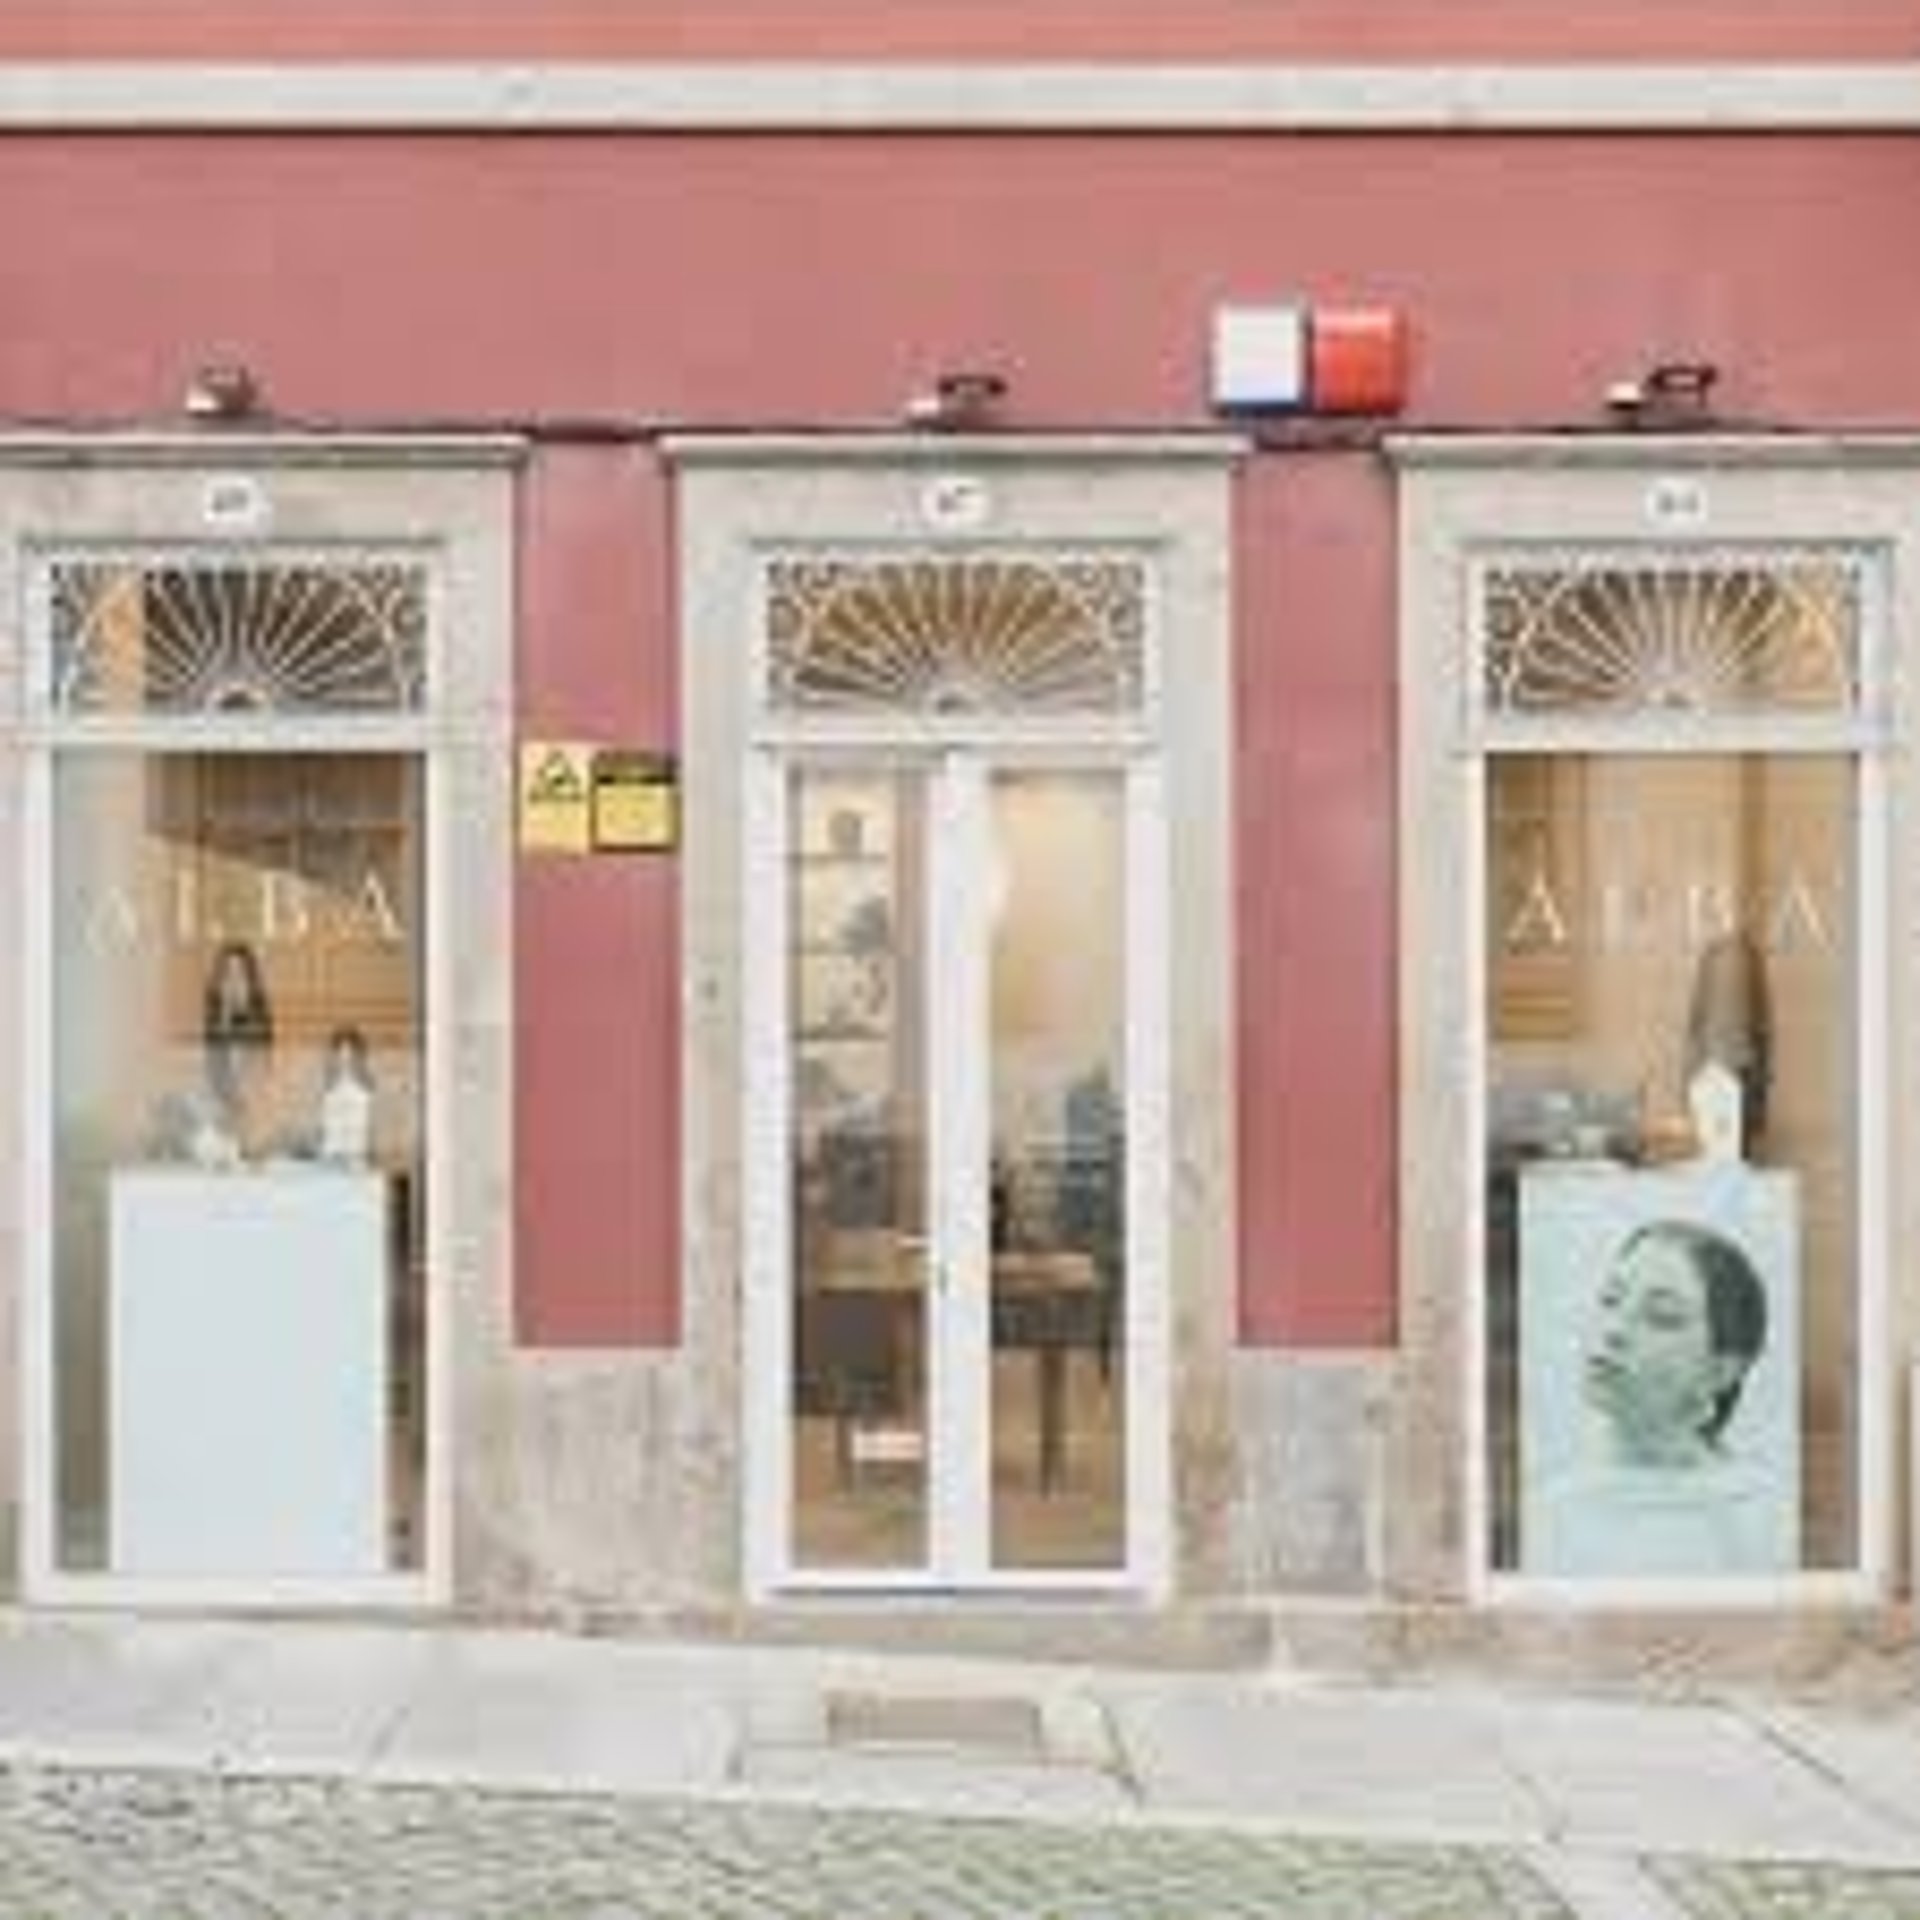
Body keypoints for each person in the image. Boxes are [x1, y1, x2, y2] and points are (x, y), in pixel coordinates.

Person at [1529, 1218, 1791, 1574]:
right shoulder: (1551, 1509)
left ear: (1722, 1370)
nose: (1614, 1330)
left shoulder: (1764, 1512)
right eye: (1611, 1299)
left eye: (1660, 1317)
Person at [201, 940, 274, 1131]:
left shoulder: (259, 1019)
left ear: (250, 980)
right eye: (228, 974)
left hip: (255, 1110)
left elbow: (261, 1070)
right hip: (218, 1109)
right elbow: (210, 1071)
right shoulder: (214, 1017)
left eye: (240, 974)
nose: (234, 981)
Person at [319, 1024, 375, 1165]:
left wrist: (356, 1066)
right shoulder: (329, 1078)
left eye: (350, 1050)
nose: (345, 1055)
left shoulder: (364, 1078)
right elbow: (326, 1093)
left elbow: (368, 1089)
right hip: (332, 1147)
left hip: (357, 1148)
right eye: (341, 1051)